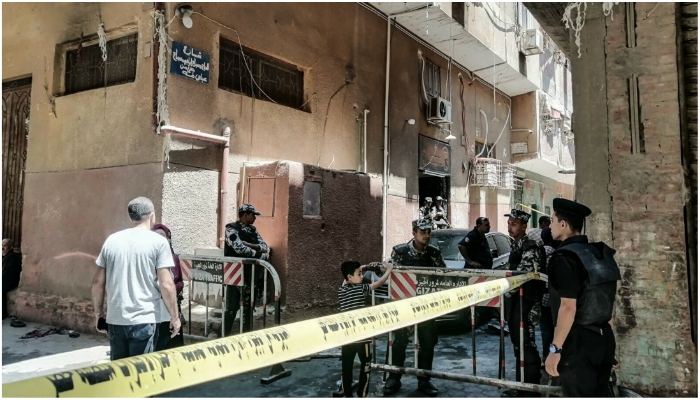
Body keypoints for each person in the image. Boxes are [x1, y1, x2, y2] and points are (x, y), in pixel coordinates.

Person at [545, 198, 620, 397]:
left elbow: (568, 307)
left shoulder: (565, 257)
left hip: (579, 343)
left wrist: (555, 350)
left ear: (563, 224)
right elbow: (606, 301)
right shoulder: (600, 253)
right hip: (604, 338)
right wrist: (609, 348)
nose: (550, 225)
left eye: (553, 220)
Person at [92, 197, 180, 361]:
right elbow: (166, 284)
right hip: (144, 320)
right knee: (142, 374)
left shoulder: (112, 240)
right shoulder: (159, 242)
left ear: (131, 217)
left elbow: (98, 283)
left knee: (120, 372)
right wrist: (174, 316)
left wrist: (99, 313)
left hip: (116, 319)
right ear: (152, 216)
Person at [384, 219, 446, 397]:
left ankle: (424, 379)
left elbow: (443, 275)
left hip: (427, 306)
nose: (427, 235)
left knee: (427, 343)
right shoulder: (400, 251)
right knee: (399, 341)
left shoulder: (434, 253)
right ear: (413, 232)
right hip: (403, 306)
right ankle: (394, 377)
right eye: (422, 231)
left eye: (429, 232)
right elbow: (392, 276)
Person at [502, 209, 546, 397]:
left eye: (514, 224)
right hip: (517, 302)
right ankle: (522, 386)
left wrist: (500, 291)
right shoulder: (517, 245)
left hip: (527, 302)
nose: (510, 227)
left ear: (524, 226)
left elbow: (521, 275)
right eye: (509, 223)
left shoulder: (530, 246)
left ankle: (530, 389)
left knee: (526, 344)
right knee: (518, 343)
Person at [336, 260, 394, 398]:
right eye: (359, 274)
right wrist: (388, 270)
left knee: (346, 368)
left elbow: (345, 282)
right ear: (350, 277)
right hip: (362, 338)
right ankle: (362, 394)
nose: (362, 276)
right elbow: (378, 284)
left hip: (347, 338)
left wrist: (361, 268)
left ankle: (348, 395)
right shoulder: (361, 289)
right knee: (366, 367)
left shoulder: (341, 291)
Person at [223, 204, 269, 336]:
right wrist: (258, 254)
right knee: (232, 308)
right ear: (245, 215)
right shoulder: (231, 228)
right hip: (235, 274)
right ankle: (224, 337)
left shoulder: (253, 230)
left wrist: (249, 244)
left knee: (249, 307)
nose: (255, 217)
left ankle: (246, 336)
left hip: (251, 275)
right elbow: (238, 248)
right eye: (253, 214)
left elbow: (265, 247)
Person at [152, 224, 185, 351]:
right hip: (154, 309)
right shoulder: (148, 257)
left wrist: (171, 290)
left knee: (173, 345)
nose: (159, 239)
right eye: (156, 235)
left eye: (162, 236)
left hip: (171, 306)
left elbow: (180, 282)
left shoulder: (173, 258)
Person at [539, 226, 560, 363]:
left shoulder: (545, 251)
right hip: (560, 296)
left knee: (546, 328)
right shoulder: (561, 249)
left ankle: (548, 355)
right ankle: (557, 354)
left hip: (546, 295)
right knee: (557, 327)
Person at [2, 239, 23, 324]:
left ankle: (2, 314)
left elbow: (7, 272)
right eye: (2, 245)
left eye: (5, 245)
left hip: (10, 280)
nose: (2, 247)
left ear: (10, 247)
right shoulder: (3, 256)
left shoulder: (12, 257)